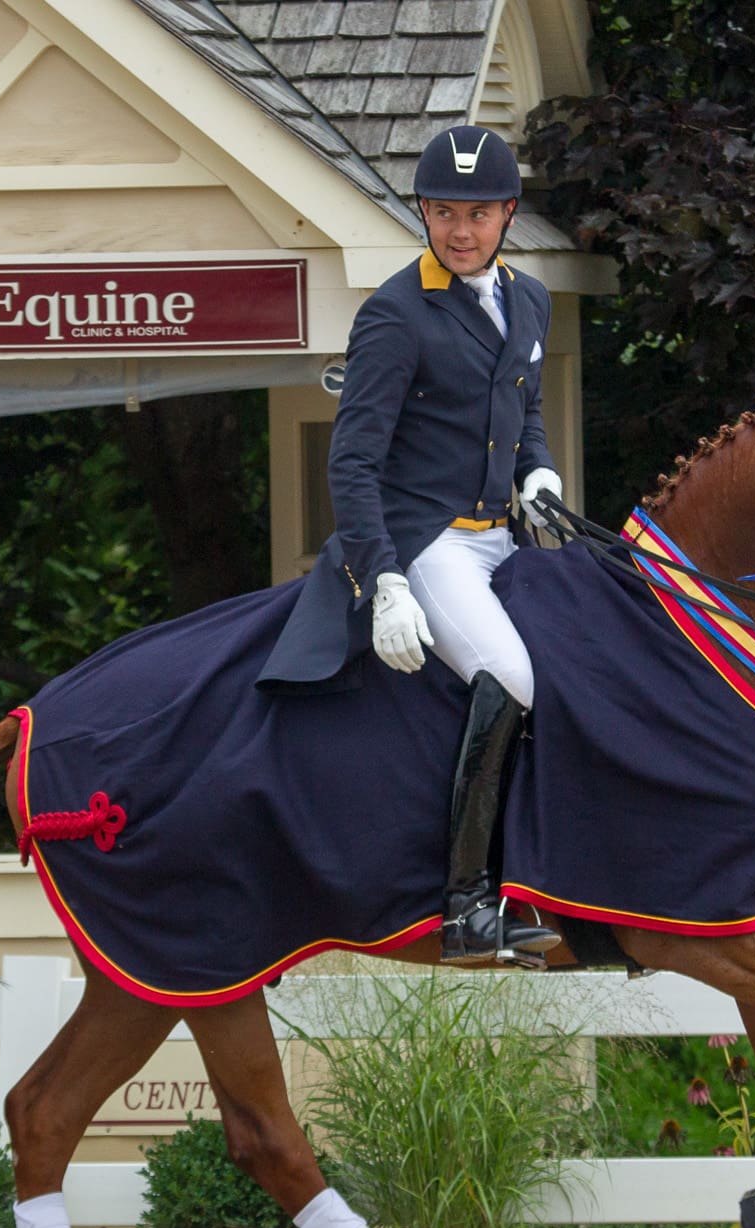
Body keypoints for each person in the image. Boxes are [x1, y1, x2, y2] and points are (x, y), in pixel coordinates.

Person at [257, 125, 564, 966]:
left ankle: (546, 878)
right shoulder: (396, 313)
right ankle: (465, 905)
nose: (459, 231)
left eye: (475, 214)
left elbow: (525, 413)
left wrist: (539, 475)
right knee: (511, 677)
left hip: (505, 535)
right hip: (431, 543)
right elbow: (352, 461)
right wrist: (384, 579)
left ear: (508, 213)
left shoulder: (528, 299)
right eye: (441, 213)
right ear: (423, 213)